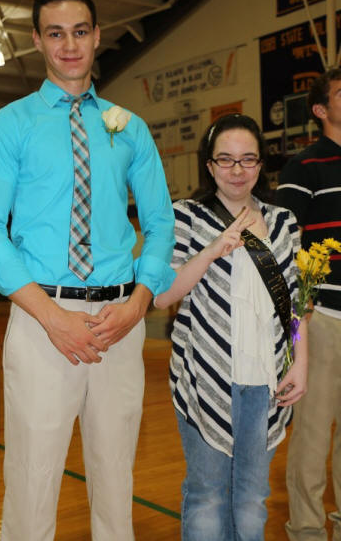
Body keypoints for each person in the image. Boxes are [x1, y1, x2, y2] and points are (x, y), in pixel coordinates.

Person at [0, 0, 175, 541]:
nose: (69, 45)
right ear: (37, 40)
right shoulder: (10, 124)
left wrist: (138, 305)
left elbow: (161, 226)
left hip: (119, 323)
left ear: (97, 35)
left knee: (116, 480)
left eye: (80, 31)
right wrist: (53, 318)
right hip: (42, 321)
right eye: (55, 33)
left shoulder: (130, 127)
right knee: (32, 481)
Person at [155, 113, 308, 541]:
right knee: (207, 496)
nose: (237, 170)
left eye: (247, 159)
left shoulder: (283, 221)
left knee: (253, 498)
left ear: (261, 164)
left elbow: (296, 304)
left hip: (266, 379)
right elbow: (163, 296)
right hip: (206, 377)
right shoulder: (187, 216)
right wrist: (210, 251)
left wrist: (300, 362)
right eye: (225, 159)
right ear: (209, 165)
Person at [276, 69, 341, 541]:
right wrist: (300, 315)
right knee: (313, 435)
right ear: (320, 110)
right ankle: (306, 530)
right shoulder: (304, 167)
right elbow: (283, 242)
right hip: (321, 320)